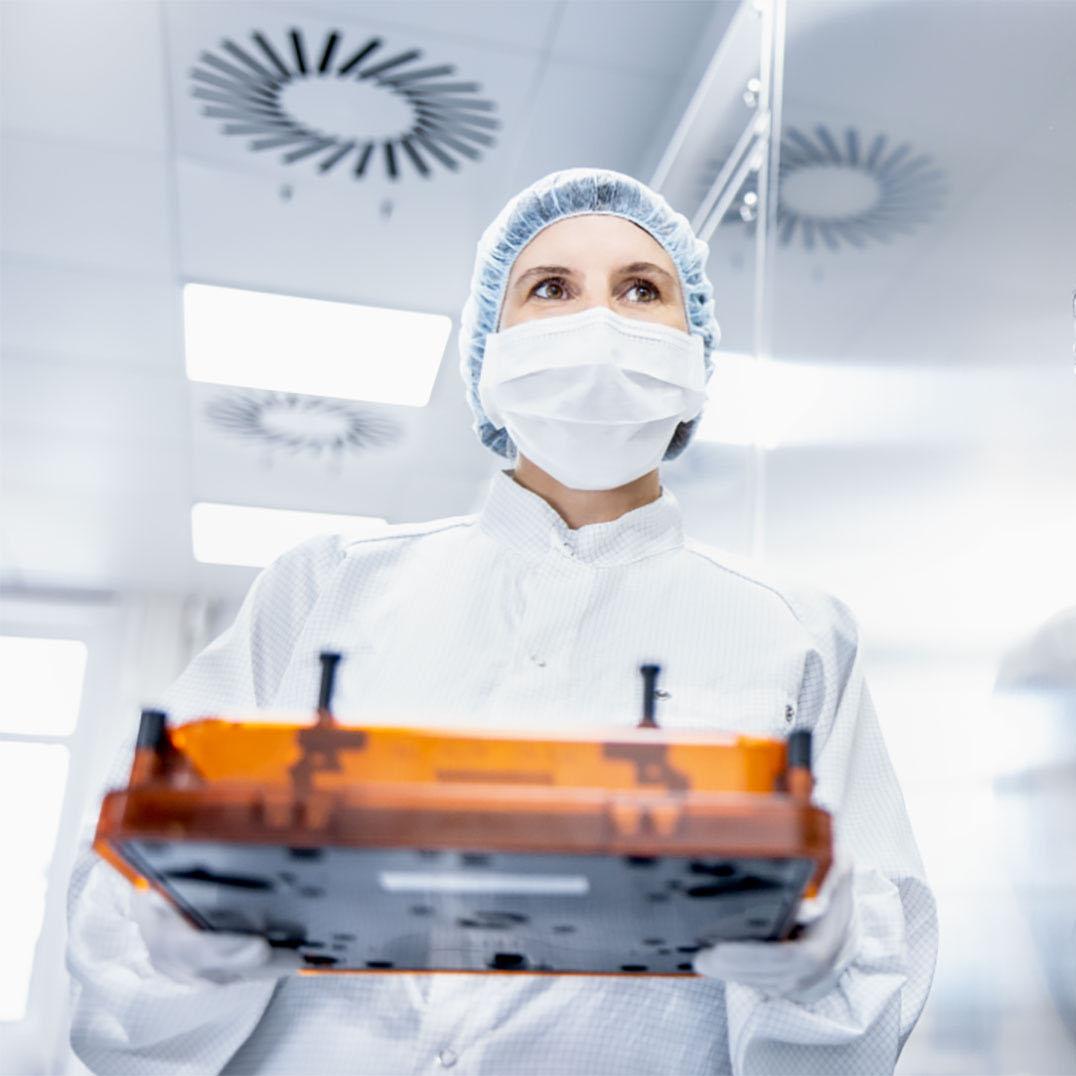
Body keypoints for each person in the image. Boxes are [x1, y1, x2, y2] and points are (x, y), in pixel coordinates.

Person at [66, 167, 938, 1075]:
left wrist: (816, 972)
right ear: (489, 347)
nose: (597, 323)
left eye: (643, 289)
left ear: (697, 354)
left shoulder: (795, 637)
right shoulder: (324, 588)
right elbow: (126, 983)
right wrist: (179, 947)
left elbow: (850, 1023)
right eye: (550, 288)